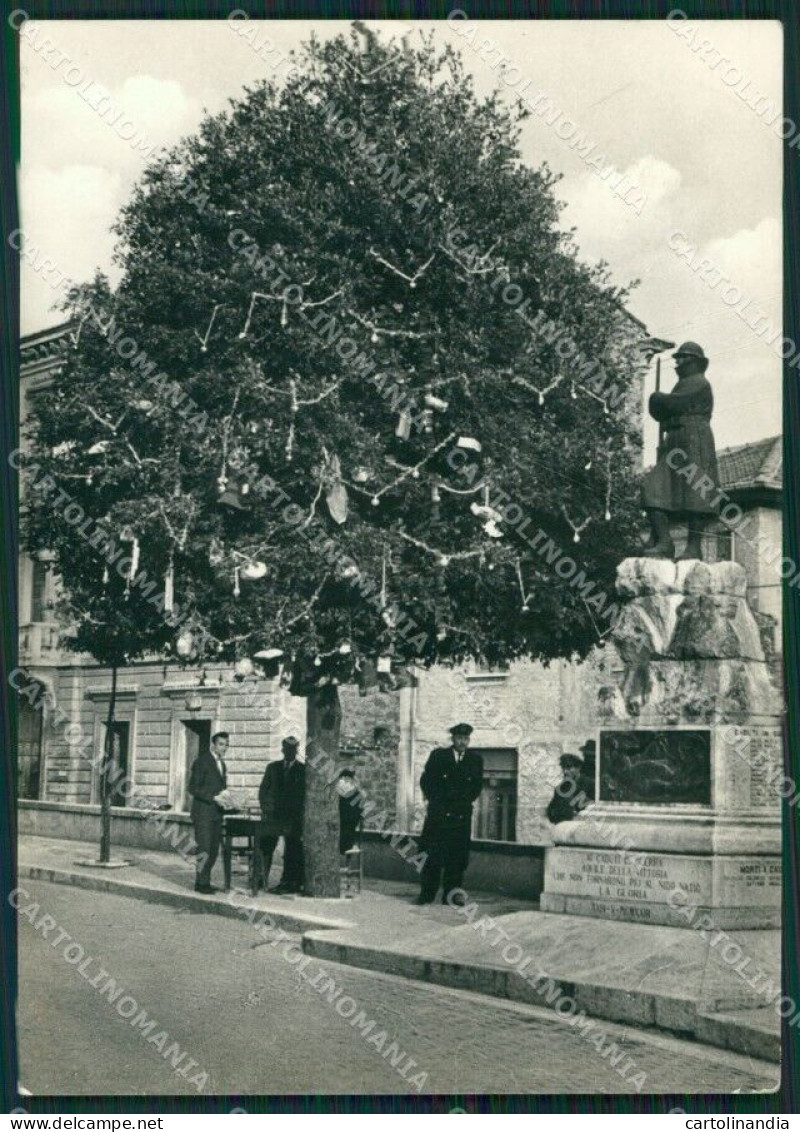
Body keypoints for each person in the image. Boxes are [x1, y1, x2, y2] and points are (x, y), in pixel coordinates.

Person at [641, 341, 720, 561]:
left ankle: (693, 547)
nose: (678, 362)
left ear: (695, 362)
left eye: (683, 358)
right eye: (677, 358)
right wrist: (661, 403)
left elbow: (673, 405)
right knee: (653, 489)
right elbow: (665, 410)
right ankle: (664, 541)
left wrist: (658, 398)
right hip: (674, 439)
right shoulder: (683, 383)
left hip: (695, 439)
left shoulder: (699, 383)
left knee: (696, 493)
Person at [416, 723, 483, 906]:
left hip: (460, 816)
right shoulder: (439, 756)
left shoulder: (475, 760)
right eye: (459, 738)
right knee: (432, 856)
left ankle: (451, 896)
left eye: (466, 739)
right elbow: (426, 781)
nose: (462, 742)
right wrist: (437, 801)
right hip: (439, 815)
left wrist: (462, 802)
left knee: (457, 858)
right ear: (453, 739)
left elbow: (476, 787)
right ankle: (427, 894)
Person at [258, 736, 306, 894]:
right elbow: (263, 792)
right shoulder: (272, 768)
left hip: (292, 819)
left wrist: (299, 815)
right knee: (266, 846)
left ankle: (289, 882)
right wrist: (267, 810)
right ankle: (260, 879)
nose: (289, 752)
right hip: (272, 817)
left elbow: (304, 796)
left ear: (297, 750)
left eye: (293, 750)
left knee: (292, 850)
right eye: (287, 749)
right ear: (282, 750)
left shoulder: (302, 770)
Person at [188, 730, 229, 893]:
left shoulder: (222, 764)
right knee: (204, 849)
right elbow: (193, 788)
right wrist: (213, 798)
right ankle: (201, 884)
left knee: (213, 850)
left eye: (226, 745)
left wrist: (227, 797)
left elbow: (219, 788)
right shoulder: (202, 761)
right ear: (213, 745)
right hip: (203, 813)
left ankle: (206, 881)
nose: (224, 748)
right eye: (221, 744)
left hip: (217, 814)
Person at [546, 752, 591, 825]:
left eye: (569, 767)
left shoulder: (590, 784)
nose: (565, 771)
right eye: (563, 768)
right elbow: (551, 813)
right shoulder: (561, 789)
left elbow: (593, 808)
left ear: (578, 767)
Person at [337, 769, 364, 854]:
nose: (351, 780)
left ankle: (347, 846)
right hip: (346, 811)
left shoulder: (348, 784)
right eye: (350, 778)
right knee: (347, 827)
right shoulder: (341, 783)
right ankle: (346, 846)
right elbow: (345, 795)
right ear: (345, 777)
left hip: (350, 811)